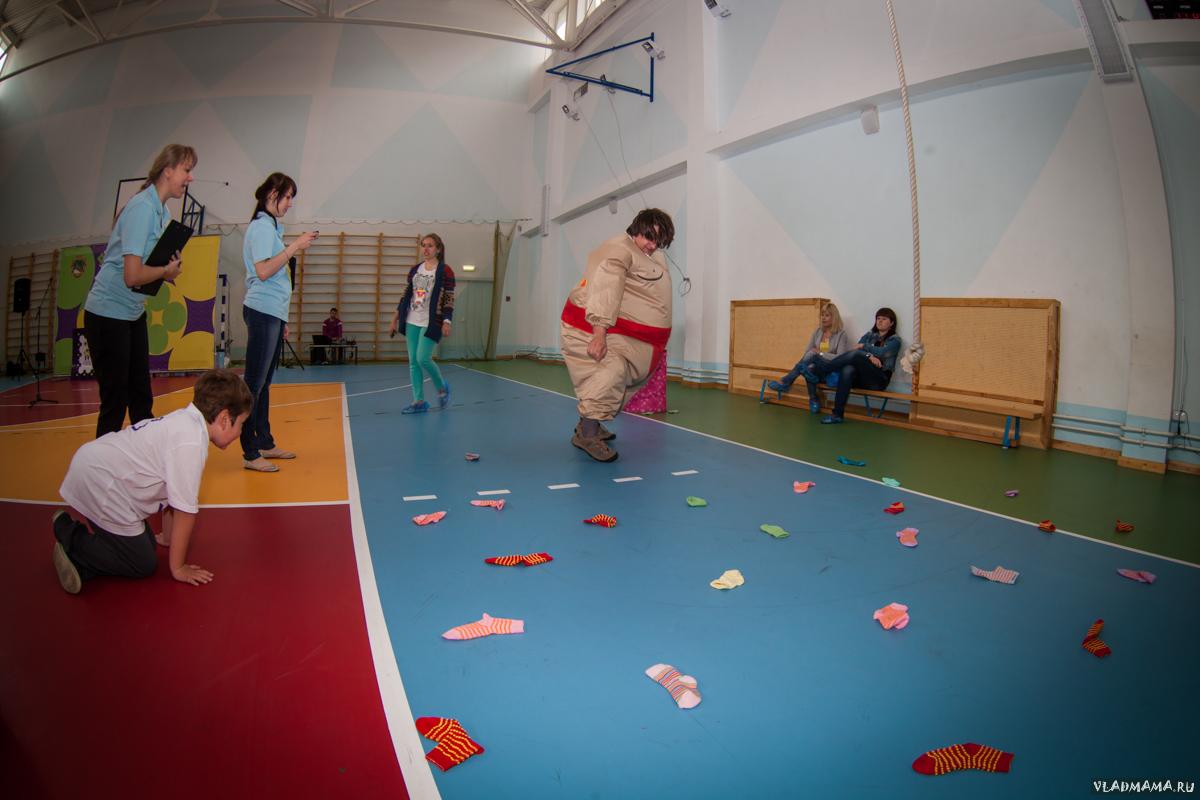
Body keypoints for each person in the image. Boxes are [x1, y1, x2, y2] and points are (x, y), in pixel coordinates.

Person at [52, 368, 253, 594]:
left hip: (97, 471)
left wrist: (168, 537)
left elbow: (171, 493)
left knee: (146, 545)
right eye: (241, 424)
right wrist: (178, 568)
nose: (240, 431)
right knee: (142, 563)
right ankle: (71, 538)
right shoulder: (191, 444)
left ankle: (84, 562)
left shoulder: (185, 421)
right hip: (100, 482)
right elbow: (185, 511)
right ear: (225, 419)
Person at [83, 144, 195, 438]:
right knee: (115, 401)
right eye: (186, 170)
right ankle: (102, 462)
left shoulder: (162, 211)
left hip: (132, 313)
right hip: (107, 315)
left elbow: (148, 266)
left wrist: (167, 268)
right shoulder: (142, 208)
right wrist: (165, 272)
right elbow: (132, 276)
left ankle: (144, 455)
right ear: (168, 171)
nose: (190, 177)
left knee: (141, 397)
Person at [560, 208, 674, 462]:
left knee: (627, 380)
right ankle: (587, 434)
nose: (652, 245)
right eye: (649, 237)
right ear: (637, 228)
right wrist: (599, 332)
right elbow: (606, 287)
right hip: (593, 327)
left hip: (627, 334)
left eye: (658, 240)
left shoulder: (649, 256)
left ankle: (588, 422)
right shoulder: (619, 250)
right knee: (611, 372)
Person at [241, 173, 318, 472]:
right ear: (272, 194)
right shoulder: (261, 227)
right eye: (287, 197)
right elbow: (263, 271)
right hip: (262, 310)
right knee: (254, 384)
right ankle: (250, 452)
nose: (289, 204)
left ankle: (264, 441)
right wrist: (294, 246)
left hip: (272, 312)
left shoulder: (271, 228)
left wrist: (282, 318)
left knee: (264, 383)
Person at [388, 233, 454, 414]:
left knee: (422, 358)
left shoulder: (445, 271)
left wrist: (447, 321)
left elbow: (449, 299)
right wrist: (395, 319)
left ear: (438, 249)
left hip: (431, 321)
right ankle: (419, 401)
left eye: (430, 245)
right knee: (413, 362)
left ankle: (442, 388)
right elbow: (406, 295)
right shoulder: (415, 269)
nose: (425, 249)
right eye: (423, 245)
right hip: (411, 320)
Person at [805, 307, 902, 424]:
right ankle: (837, 414)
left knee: (855, 355)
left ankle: (824, 367)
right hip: (862, 378)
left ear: (891, 323)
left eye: (884, 319)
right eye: (878, 318)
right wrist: (869, 356)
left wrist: (864, 348)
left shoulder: (895, 340)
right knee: (848, 369)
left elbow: (882, 352)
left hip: (879, 380)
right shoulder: (869, 335)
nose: (880, 321)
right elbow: (856, 347)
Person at [767, 302, 851, 413]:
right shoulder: (817, 332)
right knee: (809, 368)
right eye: (822, 315)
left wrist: (820, 353)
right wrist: (815, 354)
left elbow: (840, 358)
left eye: (827, 315)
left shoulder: (841, 334)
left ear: (834, 317)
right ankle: (812, 398)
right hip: (816, 369)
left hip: (830, 370)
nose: (823, 318)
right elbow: (808, 351)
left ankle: (787, 382)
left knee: (811, 358)